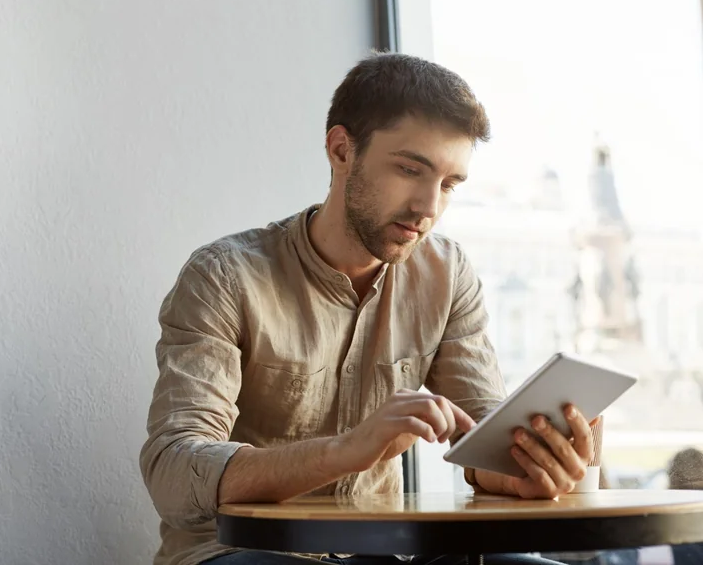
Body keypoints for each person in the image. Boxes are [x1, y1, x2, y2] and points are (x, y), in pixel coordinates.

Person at [139, 53, 598, 565]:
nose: (429, 207)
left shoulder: (446, 275)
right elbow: (174, 470)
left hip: (383, 554)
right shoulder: (224, 276)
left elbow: (483, 436)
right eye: (409, 169)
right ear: (341, 150)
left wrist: (528, 464)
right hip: (241, 553)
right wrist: (348, 449)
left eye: (448, 185)